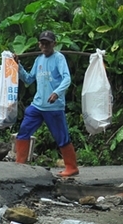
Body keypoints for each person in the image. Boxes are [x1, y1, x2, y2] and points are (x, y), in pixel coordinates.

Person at [13, 30, 78, 178]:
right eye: (42, 43)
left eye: (48, 43)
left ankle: (72, 167)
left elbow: (66, 79)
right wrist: (19, 67)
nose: (44, 46)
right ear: (39, 44)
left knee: (61, 136)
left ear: (53, 44)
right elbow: (29, 79)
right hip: (37, 105)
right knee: (23, 131)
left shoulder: (59, 58)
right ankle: (20, 164)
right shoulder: (38, 60)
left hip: (54, 106)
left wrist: (57, 92)